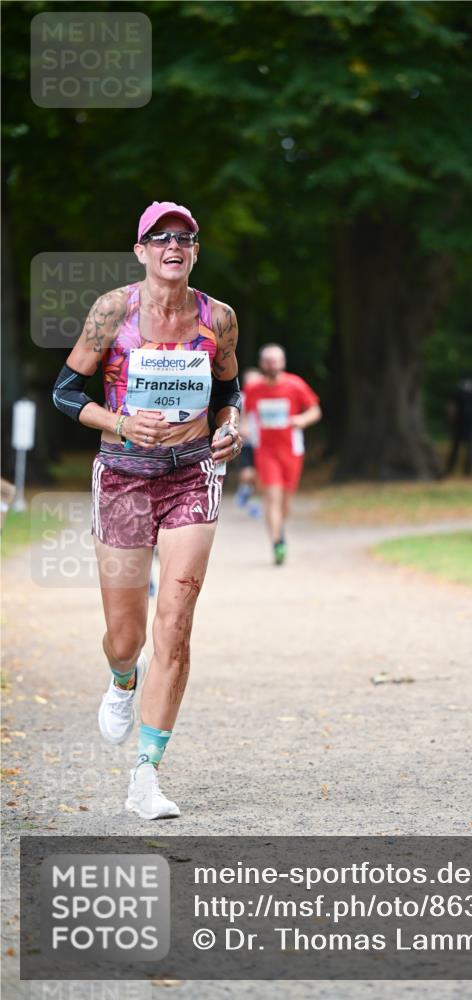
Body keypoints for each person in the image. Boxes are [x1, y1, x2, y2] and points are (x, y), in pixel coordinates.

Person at [52, 201, 243, 819]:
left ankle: (146, 776)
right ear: (141, 251)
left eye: (185, 237)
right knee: (127, 636)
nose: (173, 246)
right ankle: (121, 679)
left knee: (176, 626)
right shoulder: (114, 311)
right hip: (123, 480)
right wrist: (122, 422)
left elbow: (227, 392)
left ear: (195, 250)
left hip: (192, 475)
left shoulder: (219, 318)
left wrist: (229, 426)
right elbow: (64, 391)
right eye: (160, 237)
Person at [243, 344, 321, 564]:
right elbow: (246, 416)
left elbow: (315, 410)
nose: (272, 365)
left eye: (276, 360)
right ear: (262, 364)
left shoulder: (295, 385)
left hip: (291, 450)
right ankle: (277, 542)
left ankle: (279, 530)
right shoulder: (254, 388)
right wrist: (245, 427)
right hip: (266, 451)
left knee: (286, 501)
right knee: (272, 497)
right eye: (268, 361)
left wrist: (301, 420)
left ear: (283, 363)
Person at [234, 367, 263, 517]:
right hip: (247, 441)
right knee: (247, 474)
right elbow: (237, 416)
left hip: (262, 442)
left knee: (259, 476)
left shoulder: (264, 396)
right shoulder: (242, 398)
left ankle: (255, 504)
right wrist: (241, 428)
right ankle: (244, 488)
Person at [444, 377, 472, 477]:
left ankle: (466, 470)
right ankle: (451, 469)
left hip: (468, 425)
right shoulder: (458, 394)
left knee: (468, 449)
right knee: (456, 448)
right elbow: (452, 409)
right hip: (460, 425)